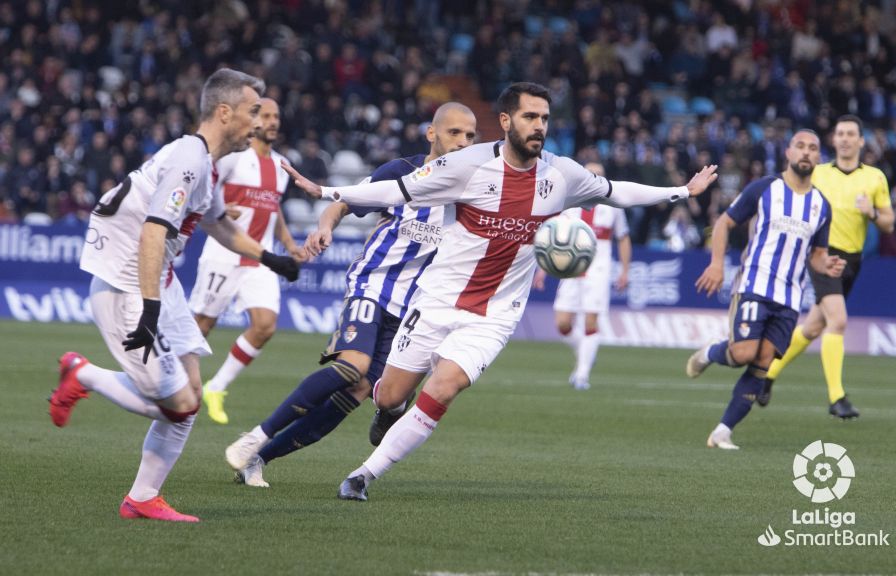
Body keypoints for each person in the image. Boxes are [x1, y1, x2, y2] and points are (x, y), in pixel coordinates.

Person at [260, 81, 718, 501]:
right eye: (529, 117)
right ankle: (387, 408)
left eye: (544, 118)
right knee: (387, 394)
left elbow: (618, 192)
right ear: (506, 121)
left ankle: (363, 475)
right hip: (436, 300)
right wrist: (324, 192)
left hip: (496, 313)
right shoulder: (465, 165)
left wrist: (681, 191)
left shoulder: (561, 176)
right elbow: (395, 191)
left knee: (446, 384)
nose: (539, 126)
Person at [47, 69, 303, 522]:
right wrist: (149, 310)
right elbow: (153, 231)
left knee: (191, 395)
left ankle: (143, 498)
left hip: (159, 282)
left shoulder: (204, 164)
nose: (259, 120)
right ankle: (82, 374)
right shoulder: (188, 158)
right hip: (129, 287)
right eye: (252, 111)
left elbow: (219, 225)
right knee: (179, 404)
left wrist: (270, 258)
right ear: (224, 113)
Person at [224, 103, 477, 487]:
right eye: (455, 133)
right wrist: (324, 227)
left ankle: (259, 458)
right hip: (371, 286)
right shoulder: (401, 174)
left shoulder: (473, 193)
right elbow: (343, 203)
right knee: (352, 367)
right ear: (432, 134)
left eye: (470, 136)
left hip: (414, 308)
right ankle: (254, 436)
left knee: (358, 392)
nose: (463, 142)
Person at [686, 130, 846, 450]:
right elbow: (724, 223)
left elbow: (816, 254)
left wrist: (824, 264)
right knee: (743, 352)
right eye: (800, 146)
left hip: (789, 299)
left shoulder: (821, 206)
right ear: (788, 152)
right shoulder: (764, 189)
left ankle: (722, 432)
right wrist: (717, 264)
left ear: (819, 157)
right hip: (754, 285)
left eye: (813, 148)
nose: (806, 152)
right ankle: (710, 352)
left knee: (762, 364)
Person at [761, 115, 893, 418]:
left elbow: (888, 223)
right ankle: (837, 397)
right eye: (840, 134)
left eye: (851, 134)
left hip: (853, 260)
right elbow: (787, 192)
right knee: (839, 320)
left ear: (861, 141)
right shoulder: (817, 173)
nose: (845, 139)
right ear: (833, 141)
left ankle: (768, 372)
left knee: (813, 327)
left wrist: (871, 211)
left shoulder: (874, 178)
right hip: (821, 254)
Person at [188, 97, 305, 425]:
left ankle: (217, 386)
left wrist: (289, 243)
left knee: (266, 325)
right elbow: (205, 184)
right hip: (223, 254)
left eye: (276, 116)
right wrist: (219, 208)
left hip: (260, 260)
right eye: (265, 115)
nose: (272, 121)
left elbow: (273, 208)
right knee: (201, 326)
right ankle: (176, 385)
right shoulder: (233, 159)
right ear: (253, 121)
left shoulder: (281, 166)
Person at [533, 161, 631, 390]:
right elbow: (553, 239)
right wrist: (542, 269)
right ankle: (586, 353)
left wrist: (625, 270)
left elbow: (624, 237)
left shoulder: (614, 205)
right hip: (570, 269)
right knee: (563, 324)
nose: (595, 179)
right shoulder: (569, 202)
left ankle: (581, 374)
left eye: (600, 175)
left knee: (590, 322)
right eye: (591, 174)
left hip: (598, 269)